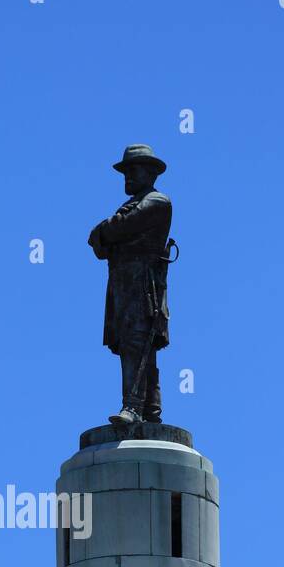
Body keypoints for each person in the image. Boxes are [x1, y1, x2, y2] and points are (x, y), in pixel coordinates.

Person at [88, 144, 173, 427]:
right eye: (125, 172)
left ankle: (135, 407)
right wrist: (106, 234)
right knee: (133, 345)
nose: (127, 177)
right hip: (124, 284)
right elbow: (100, 244)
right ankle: (149, 409)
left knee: (138, 342)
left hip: (142, 286)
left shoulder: (157, 202)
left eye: (132, 170)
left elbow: (114, 230)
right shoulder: (134, 204)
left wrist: (106, 232)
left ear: (150, 173)